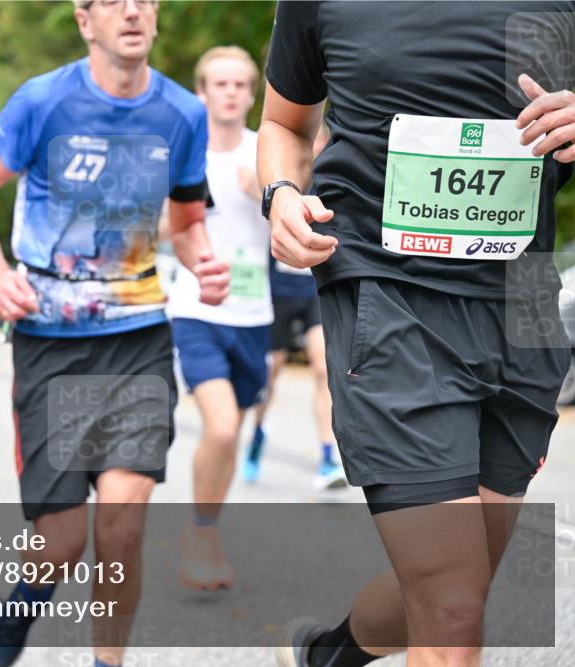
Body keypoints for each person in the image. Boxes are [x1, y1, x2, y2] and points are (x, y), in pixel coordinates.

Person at [258, 3, 574, 665]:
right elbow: (285, 122)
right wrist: (283, 192)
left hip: (524, 303)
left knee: (462, 582)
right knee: (453, 603)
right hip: (388, 292)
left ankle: (331, 655)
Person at [0, 1, 229, 664]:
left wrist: (205, 261)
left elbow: (188, 219)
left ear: (156, 17)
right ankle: (22, 603)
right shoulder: (42, 101)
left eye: (144, 0)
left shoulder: (183, 114)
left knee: (123, 527)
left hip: (137, 338)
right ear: (85, 21)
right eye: (113, 0)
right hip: (51, 341)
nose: (131, 11)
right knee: (61, 542)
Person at [164, 45, 271, 590]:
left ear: (252, 95)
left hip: (255, 314)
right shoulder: (185, 156)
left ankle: (205, 526)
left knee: (232, 432)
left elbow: (299, 239)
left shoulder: (268, 155)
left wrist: (270, 198)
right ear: (201, 92)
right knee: (223, 427)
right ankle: (202, 534)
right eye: (219, 84)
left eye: (239, 85)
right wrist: (184, 213)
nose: (230, 93)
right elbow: (150, 228)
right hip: (196, 309)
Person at [245, 125, 346, 491]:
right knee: (270, 372)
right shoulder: (278, 174)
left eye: (324, 138)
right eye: (313, 136)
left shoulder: (335, 180)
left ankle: (326, 456)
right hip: (277, 291)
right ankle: (257, 435)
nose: (318, 144)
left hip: (315, 290)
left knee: (323, 367)